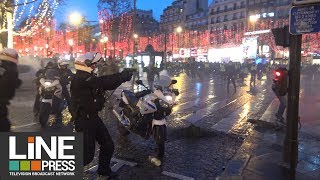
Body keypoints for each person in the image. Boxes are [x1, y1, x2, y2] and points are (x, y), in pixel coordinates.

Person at [70, 52, 133, 179]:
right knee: (86, 157)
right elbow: (104, 82)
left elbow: (102, 82)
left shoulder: (87, 77)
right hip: (85, 120)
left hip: (93, 117)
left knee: (108, 145)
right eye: (93, 64)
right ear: (85, 65)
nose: (95, 67)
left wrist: (121, 75)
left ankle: (104, 172)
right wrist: (121, 76)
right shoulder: (81, 79)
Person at [0, 48, 22, 132]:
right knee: (4, 124)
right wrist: (18, 82)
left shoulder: (3, 65)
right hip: (2, 100)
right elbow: (12, 82)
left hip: (3, 99)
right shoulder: (11, 68)